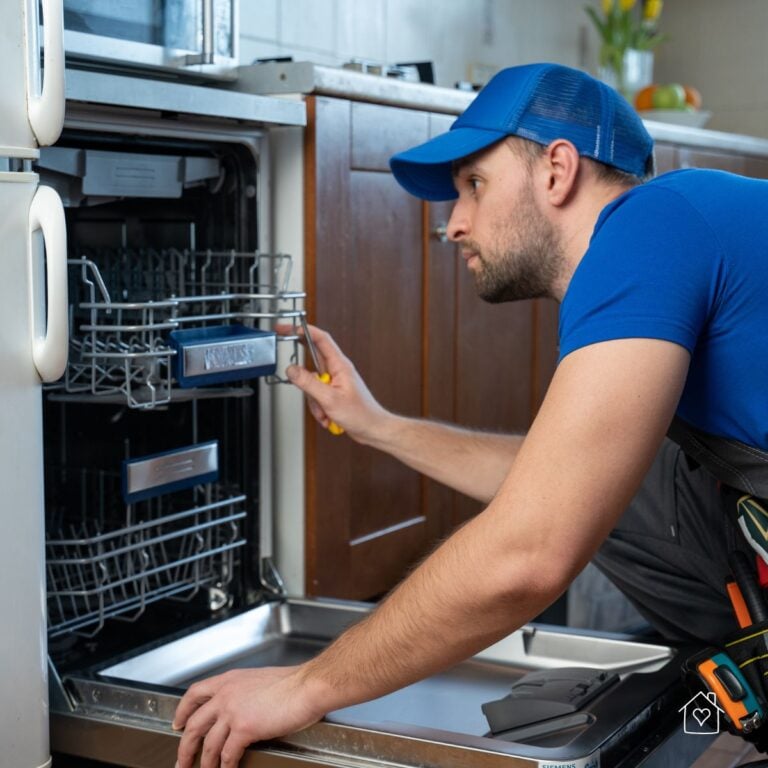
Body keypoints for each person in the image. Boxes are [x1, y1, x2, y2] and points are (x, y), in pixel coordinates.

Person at [174, 61, 768, 767]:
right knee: (623, 487)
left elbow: (531, 550)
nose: (453, 224)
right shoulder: (677, 227)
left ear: (557, 169)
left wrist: (308, 685)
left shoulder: (649, 227)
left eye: (474, 186)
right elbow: (560, 480)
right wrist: (379, 424)